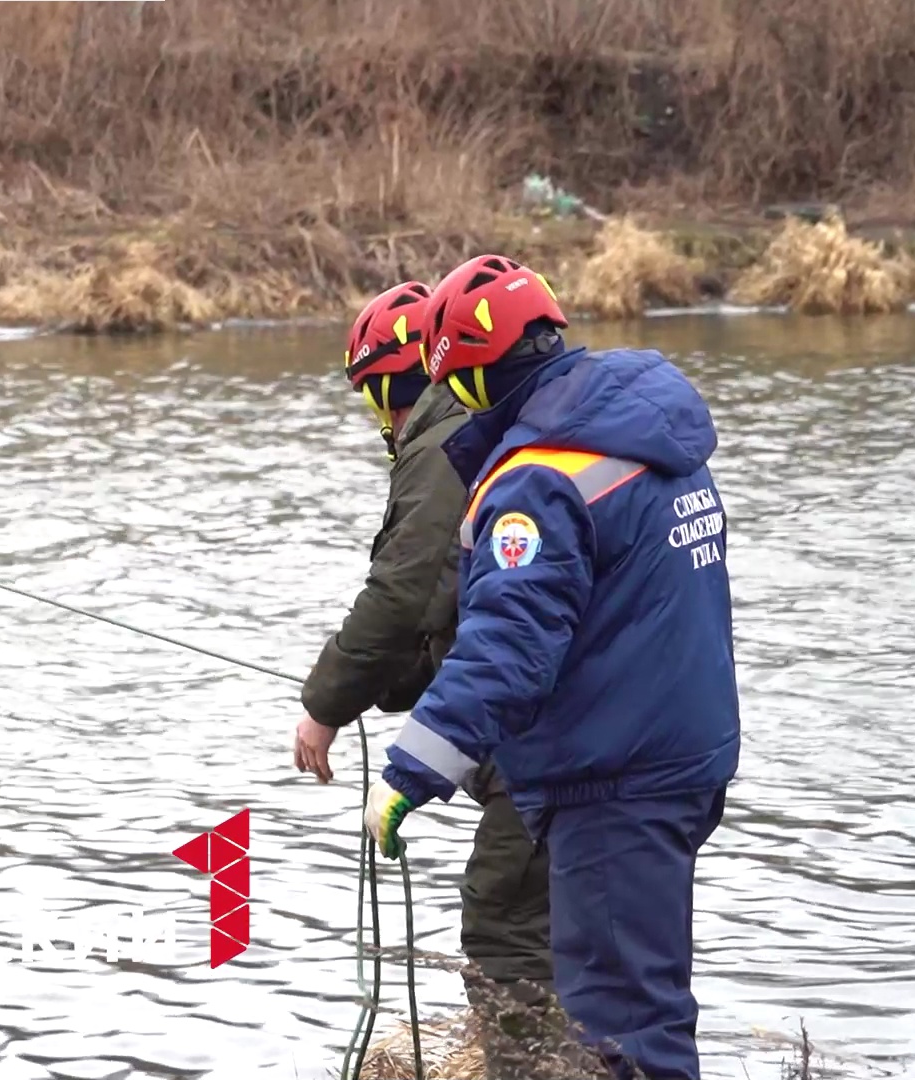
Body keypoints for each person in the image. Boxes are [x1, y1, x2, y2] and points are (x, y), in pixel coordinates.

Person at [361, 254, 739, 1080]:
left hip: (612, 779)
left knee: (622, 1030)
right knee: (647, 1002)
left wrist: (409, 773)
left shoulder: (538, 479)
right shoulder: (649, 433)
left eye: (451, 384)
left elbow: (508, 645)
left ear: (469, 377)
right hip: (682, 758)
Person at [293, 281, 554, 1076]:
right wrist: (380, 686)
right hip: (586, 730)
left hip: (546, 742)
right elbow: (450, 607)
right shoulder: (474, 437)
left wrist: (324, 705)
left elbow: (406, 592)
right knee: (572, 927)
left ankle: (536, 1069)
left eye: (374, 398)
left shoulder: (441, 446)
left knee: (505, 919)